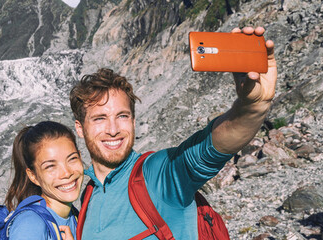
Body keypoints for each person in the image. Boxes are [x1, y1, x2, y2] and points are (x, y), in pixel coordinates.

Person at [71, 26, 277, 239]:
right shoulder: (87, 197)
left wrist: (252, 107)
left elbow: (207, 151)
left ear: (133, 121)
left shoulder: (156, 176)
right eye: (100, 118)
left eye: (122, 116)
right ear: (80, 128)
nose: (113, 130)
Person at [5, 121, 84, 240]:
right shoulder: (29, 225)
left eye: (72, 158)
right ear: (33, 176)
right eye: (50, 166)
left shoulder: (74, 215)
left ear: (80, 157)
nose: (67, 173)